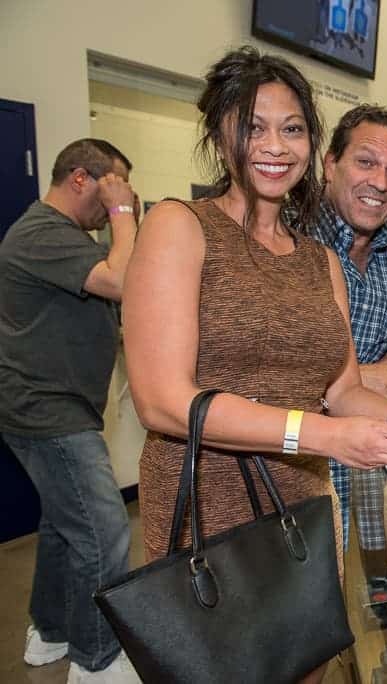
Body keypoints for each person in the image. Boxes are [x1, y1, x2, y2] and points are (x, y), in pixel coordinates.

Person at [122, 47, 387, 684]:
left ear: (311, 142)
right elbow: (164, 401)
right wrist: (326, 435)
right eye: (253, 126)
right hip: (208, 506)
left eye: (292, 128)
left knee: (305, 660)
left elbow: (340, 390)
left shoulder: (319, 261)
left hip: (305, 507)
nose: (274, 145)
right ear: (219, 133)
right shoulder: (180, 225)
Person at [0, 138, 139, 683]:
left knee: (63, 525)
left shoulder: (63, 238)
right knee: (105, 531)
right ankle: (96, 661)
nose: (114, 200)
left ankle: (50, 631)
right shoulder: (41, 232)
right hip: (45, 409)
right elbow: (121, 280)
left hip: (57, 404)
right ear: (81, 179)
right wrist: (123, 214)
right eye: (111, 186)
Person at [306, 104, 387, 556]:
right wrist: (357, 374)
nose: (380, 182)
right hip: (299, 471)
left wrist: (373, 374)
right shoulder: (286, 243)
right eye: (366, 162)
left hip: (378, 463)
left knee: (382, 584)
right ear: (330, 164)